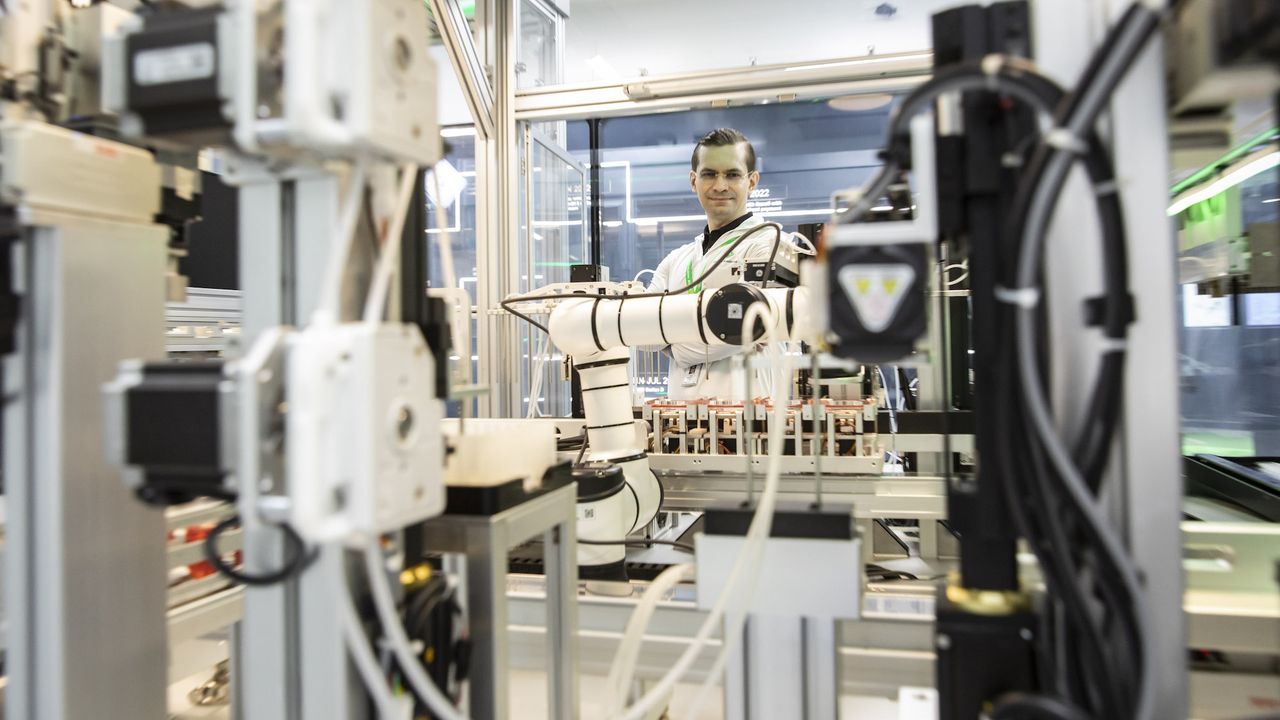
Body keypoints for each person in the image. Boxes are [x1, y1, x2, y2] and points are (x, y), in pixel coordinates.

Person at [647, 128, 806, 401]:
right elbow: (643, 335)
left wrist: (673, 347)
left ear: (752, 181)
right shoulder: (676, 259)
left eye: (732, 175)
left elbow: (750, 327)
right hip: (682, 423)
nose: (720, 186)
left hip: (753, 422)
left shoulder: (772, 246)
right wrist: (729, 336)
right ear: (693, 181)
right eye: (709, 174)